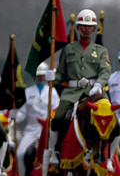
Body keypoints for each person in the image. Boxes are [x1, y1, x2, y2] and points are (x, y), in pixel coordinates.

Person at [45, 9, 111, 165]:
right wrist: (52, 77)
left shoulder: (101, 51)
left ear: (94, 29)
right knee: (58, 118)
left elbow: (105, 71)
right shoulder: (68, 49)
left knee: (112, 120)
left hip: (95, 93)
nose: (87, 29)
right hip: (73, 93)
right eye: (83, 26)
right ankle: (54, 151)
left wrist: (99, 85)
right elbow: (61, 74)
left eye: (90, 26)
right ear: (78, 27)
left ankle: (109, 157)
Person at [13, 61, 59, 176]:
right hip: (32, 129)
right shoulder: (27, 92)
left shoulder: (52, 92)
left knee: (60, 155)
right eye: (38, 75)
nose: (41, 78)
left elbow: (57, 109)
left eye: (43, 75)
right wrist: (14, 115)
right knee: (20, 154)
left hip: (48, 130)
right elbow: (22, 113)